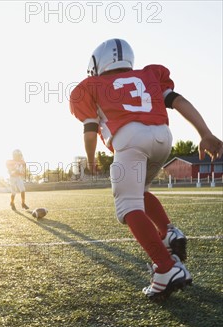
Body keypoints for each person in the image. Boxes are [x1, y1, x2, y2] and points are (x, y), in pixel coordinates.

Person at [70, 38, 223, 301]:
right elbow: (179, 101)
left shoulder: (90, 86)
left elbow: (90, 128)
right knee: (139, 192)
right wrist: (205, 133)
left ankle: (166, 268)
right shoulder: (150, 75)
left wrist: (91, 158)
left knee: (128, 206)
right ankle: (168, 231)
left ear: (97, 63)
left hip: (129, 139)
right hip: (163, 137)